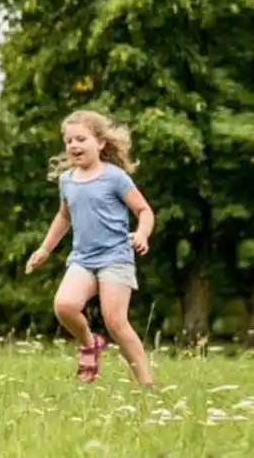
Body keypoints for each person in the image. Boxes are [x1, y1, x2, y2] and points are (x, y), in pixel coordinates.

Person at [25, 110, 155, 386]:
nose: (73, 145)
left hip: (116, 256)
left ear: (101, 143)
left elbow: (144, 210)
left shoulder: (115, 177)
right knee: (64, 305)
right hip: (83, 258)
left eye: (81, 139)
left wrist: (142, 234)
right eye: (69, 140)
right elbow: (64, 216)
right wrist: (45, 250)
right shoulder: (67, 180)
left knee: (116, 321)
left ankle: (146, 383)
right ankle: (89, 343)